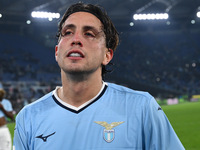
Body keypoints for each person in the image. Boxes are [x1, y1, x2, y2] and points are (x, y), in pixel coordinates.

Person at [13, 2, 185, 150]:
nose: (76, 39)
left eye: (89, 34)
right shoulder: (29, 117)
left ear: (107, 55)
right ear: (57, 52)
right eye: (67, 32)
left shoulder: (142, 107)